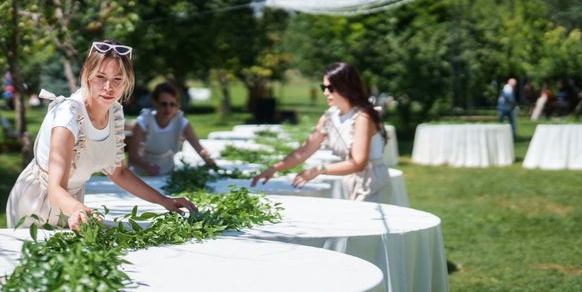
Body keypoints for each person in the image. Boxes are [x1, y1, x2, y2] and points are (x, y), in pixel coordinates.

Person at [6, 40, 196, 229]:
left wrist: (164, 201)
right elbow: (55, 189)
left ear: (127, 81)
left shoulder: (114, 113)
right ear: (87, 75)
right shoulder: (68, 116)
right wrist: (77, 209)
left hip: (73, 204)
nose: (108, 87)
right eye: (100, 77)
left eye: (117, 79)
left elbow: (118, 172)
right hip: (36, 203)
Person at [251, 62, 392, 203]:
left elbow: (358, 163)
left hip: (372, 184)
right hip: (351, 181)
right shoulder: (329, 117)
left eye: (330, 88)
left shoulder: (362, 117)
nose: (325, 93)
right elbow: (305, 150)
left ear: (346, 86)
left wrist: (318, 169)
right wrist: (274, 168)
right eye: (323, 87)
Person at [128, 82, 217, 175]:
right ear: (154, 102)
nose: (168, 108)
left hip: (167, 171)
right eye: (164, 104)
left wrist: (209, 160)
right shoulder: (144, 121)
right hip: (141, 174)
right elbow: (132, 156)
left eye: (172, 104)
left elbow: (198, 148)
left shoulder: (181, 122)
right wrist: (146, 166)